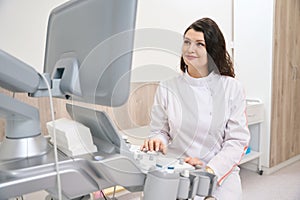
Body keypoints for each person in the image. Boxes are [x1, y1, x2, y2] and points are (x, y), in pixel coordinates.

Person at [140, 18, 250, 200]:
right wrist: (157, 140)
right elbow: (160, 130)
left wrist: (209, 170)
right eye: (187, 42)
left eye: (200, 44)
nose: (190, 49)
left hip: (217, 172)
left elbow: (236, 142)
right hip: (178, 169)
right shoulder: (167, 87)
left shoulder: (231, 88)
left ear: (213, 50)